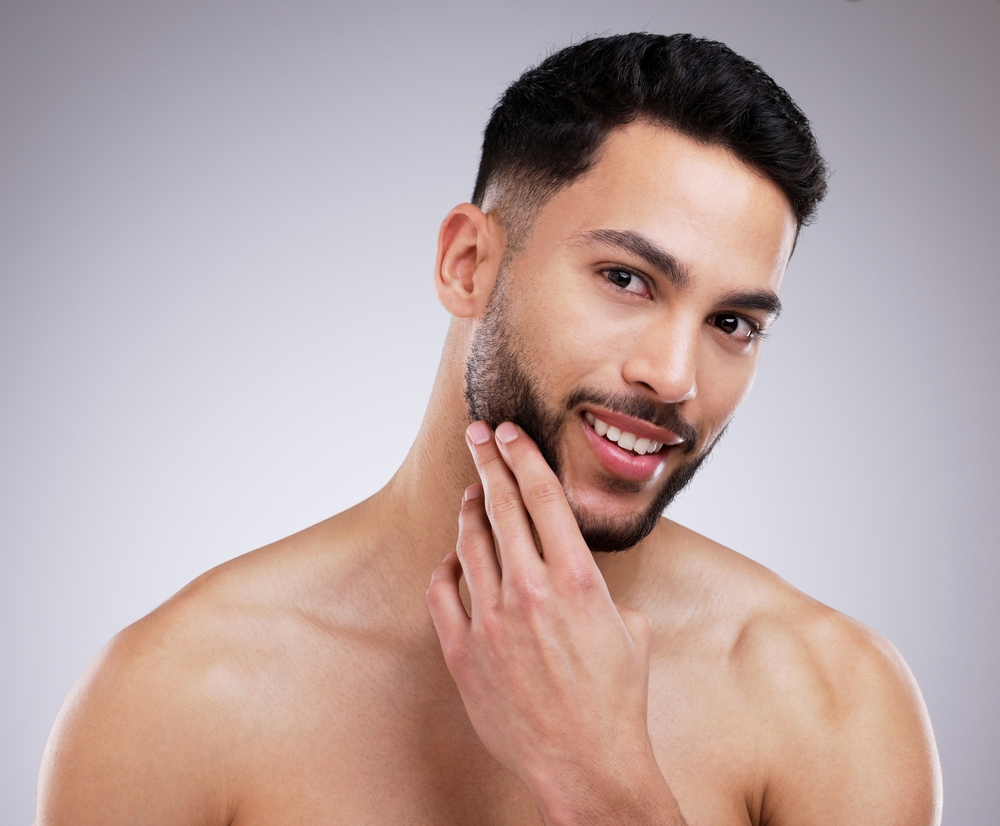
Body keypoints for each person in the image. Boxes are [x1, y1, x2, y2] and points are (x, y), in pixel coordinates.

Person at [35, 32, 941, 825]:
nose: (674, 376)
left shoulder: (831, 700)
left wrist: (602, 781)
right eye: (627, 279)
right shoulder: (174, 703)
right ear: (469, 263)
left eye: (732, 323)